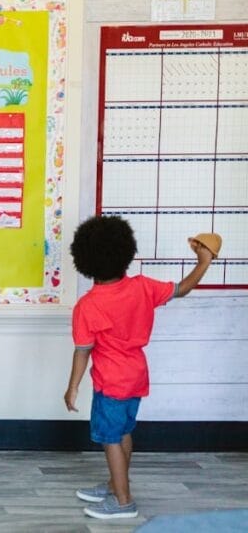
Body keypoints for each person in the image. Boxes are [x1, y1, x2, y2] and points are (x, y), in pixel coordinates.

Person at [64, 215, 213, 519]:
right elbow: (182, 288)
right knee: (124, 432)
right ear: (125, 253)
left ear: (85, 260)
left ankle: (123, 501)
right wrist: (204, 261)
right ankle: (116, 484)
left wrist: (72, 387)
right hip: (136, 376)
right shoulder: (143, 287)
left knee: (110, 438)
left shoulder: (88, 306)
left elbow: (82, 352)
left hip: (111, 381)